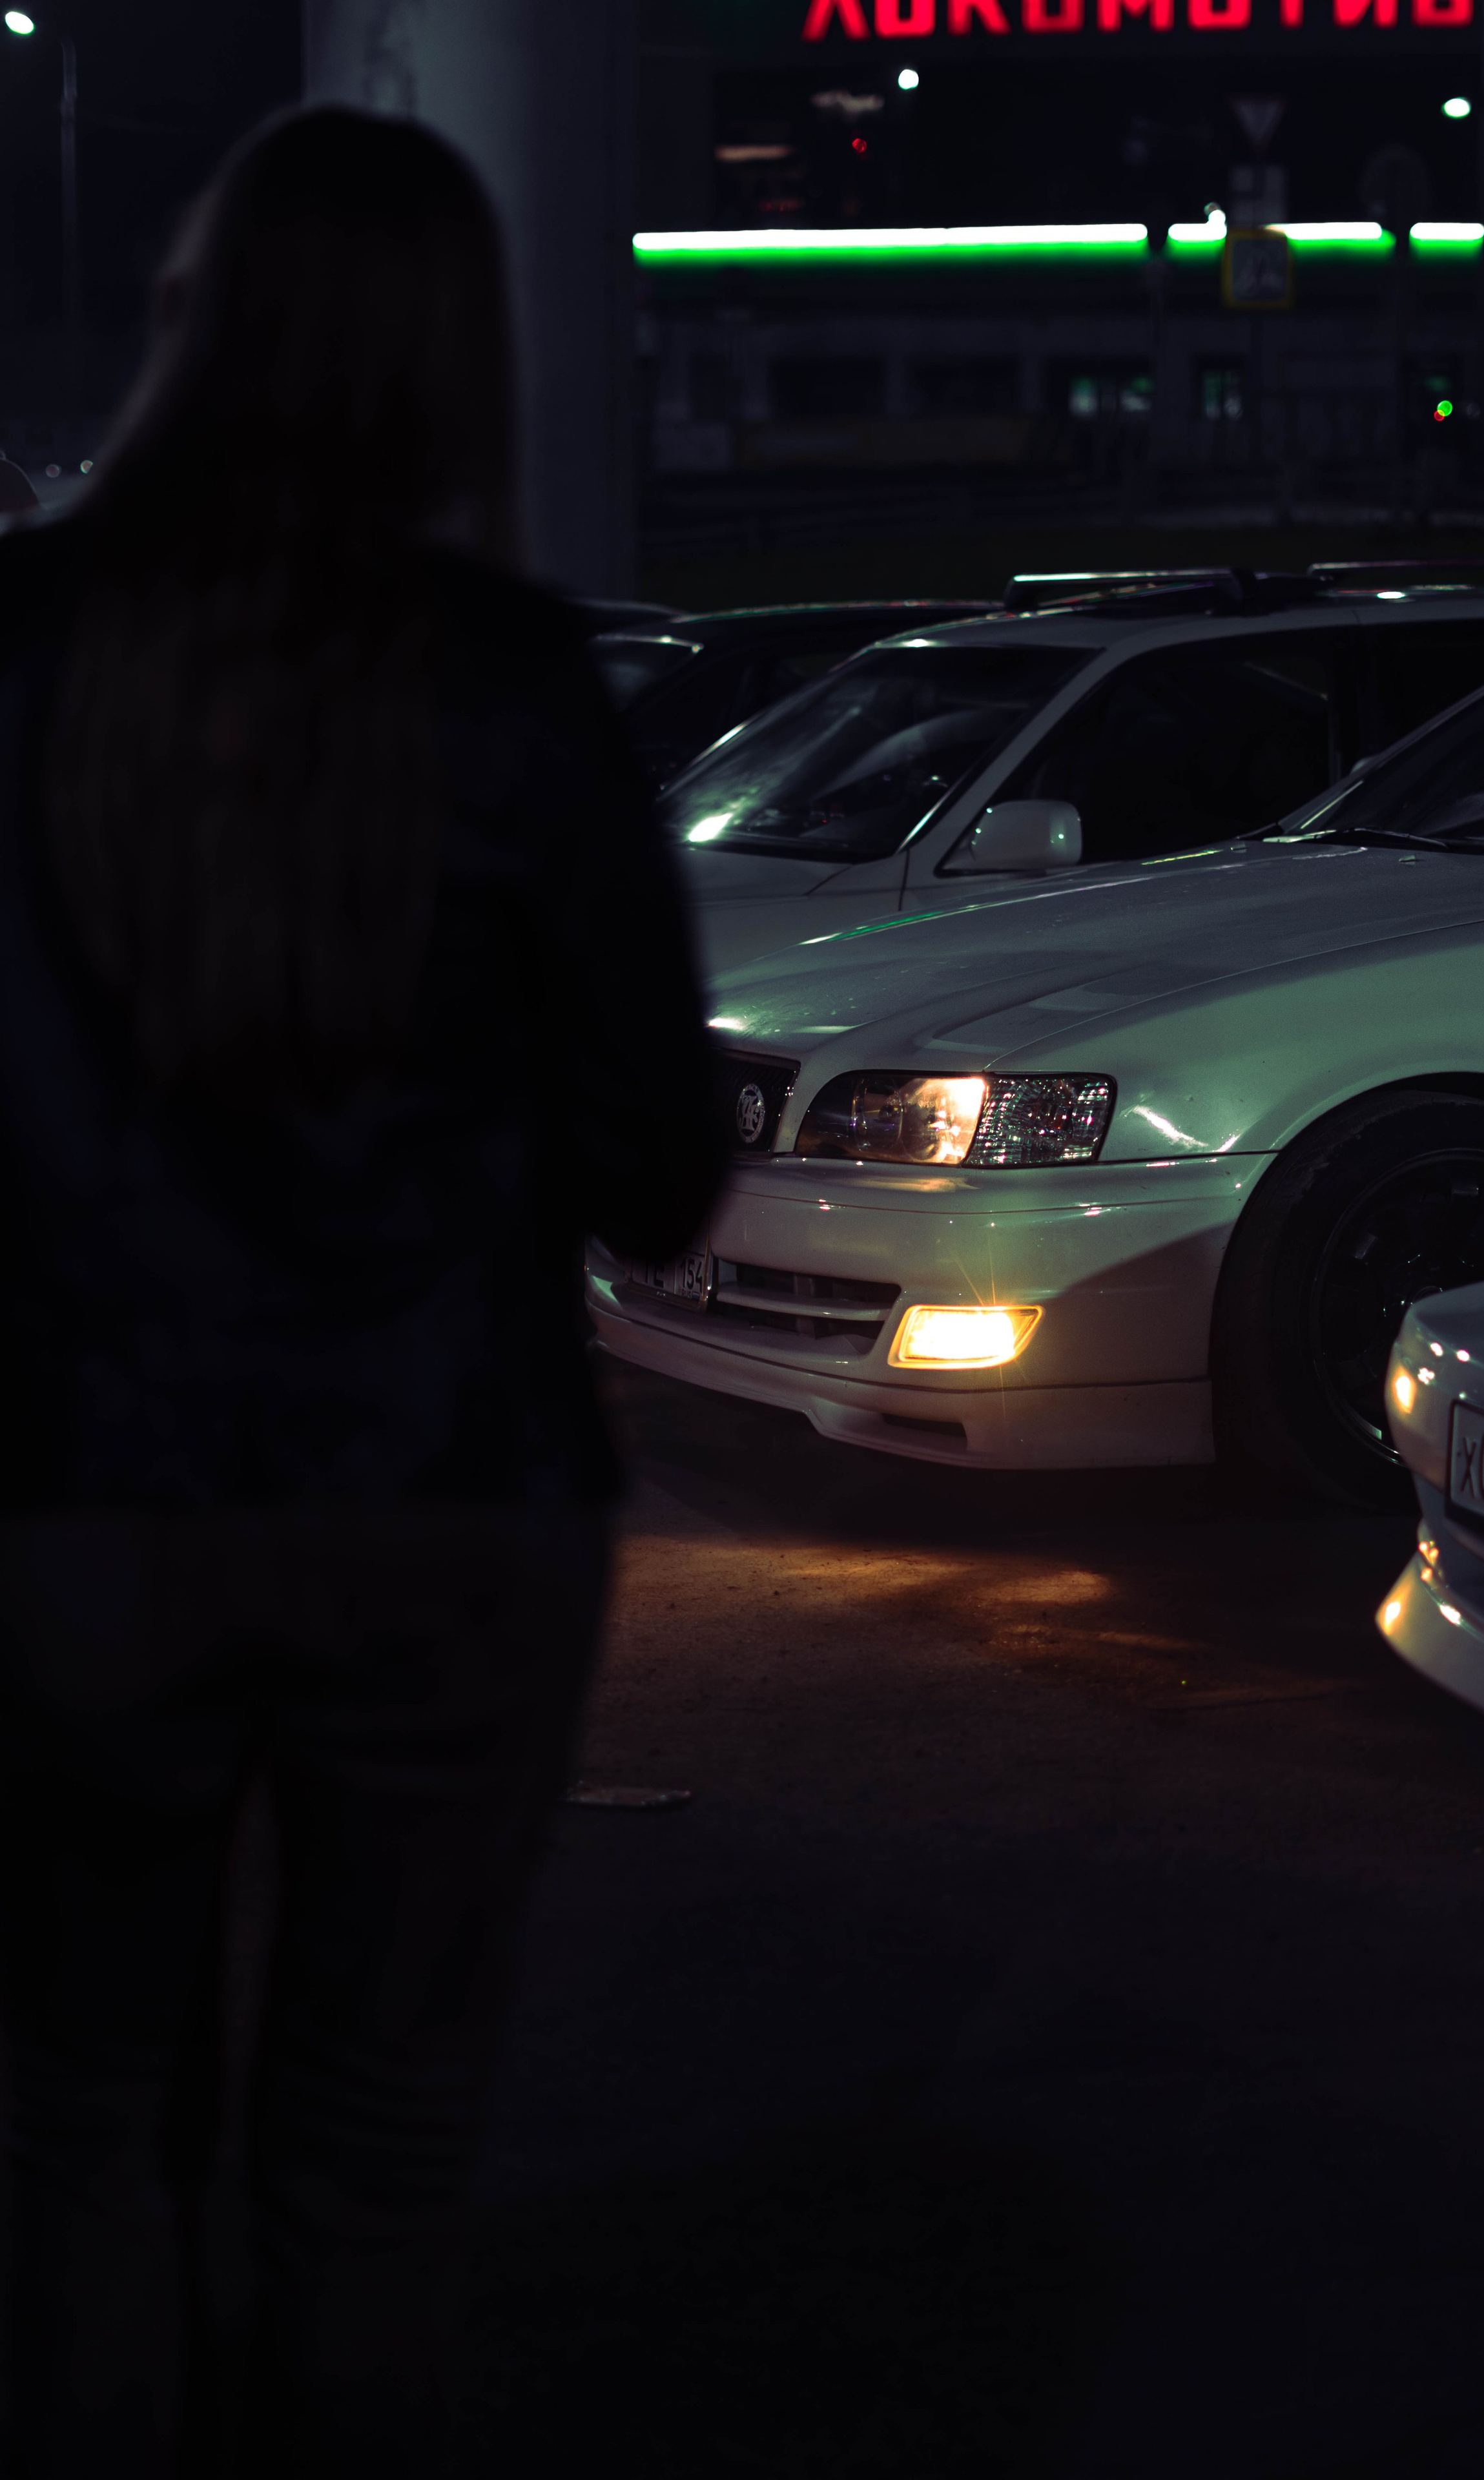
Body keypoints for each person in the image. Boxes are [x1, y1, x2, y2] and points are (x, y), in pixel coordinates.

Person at [0, 107, 723, 2478]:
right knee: (380, 2145)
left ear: (192, 322)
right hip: (447, 1500)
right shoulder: (512, 683)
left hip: (71, 1501)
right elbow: (655, 1162)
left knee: (78, 2130)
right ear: (450, 369)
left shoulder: (19, 656)